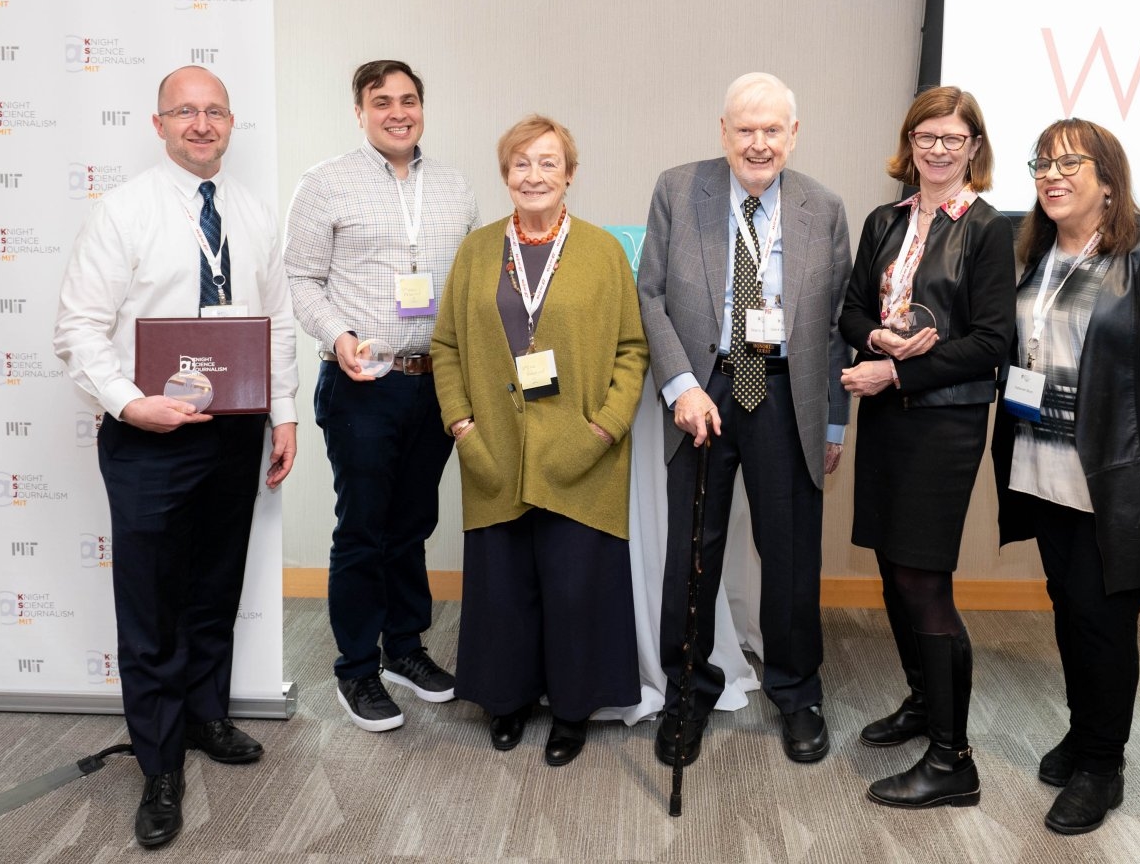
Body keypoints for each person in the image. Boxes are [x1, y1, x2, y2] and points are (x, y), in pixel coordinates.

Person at [53, 65, 299, 849]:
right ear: (158, 124)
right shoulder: (121, 212)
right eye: (185, 112)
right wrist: (132, 403)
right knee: (154, 603)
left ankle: (204, 718)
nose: (201, 124)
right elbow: (78, 329)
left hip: (234, 430)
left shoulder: (256, 214)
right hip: (147, 435)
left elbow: (280, 324)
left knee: (213, 586)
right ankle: (159, 762)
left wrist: (284, 414)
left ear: (232, 124)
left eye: (214, 112)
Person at [992, 117, 1140, 835]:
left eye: (1069, 164)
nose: (1050, 177)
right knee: (1070, 608)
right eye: (1041, 165)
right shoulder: (1032, 251)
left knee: (1106, 623)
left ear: (1109, 181)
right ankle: (1084, 731)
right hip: (1043, 464)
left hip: (1117, 477)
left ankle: (1103, 765)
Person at [638, 72, 851, 765]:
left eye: (772, 130)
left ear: (794, 134)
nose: (758, 144)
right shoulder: (679, 189)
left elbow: (840, 325)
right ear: (723, 132)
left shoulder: (824, 206)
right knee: (692, 552)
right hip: (708, 389)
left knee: (791, 554)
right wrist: (679, 387)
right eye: (745, 129)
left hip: (787, 394)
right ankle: (688, 692)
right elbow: (651, 295)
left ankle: (796, 692)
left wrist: (834, 423)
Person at [431, 114, 648, 766]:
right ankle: (507, 700)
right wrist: (463, 426)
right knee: (503, 587)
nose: (534, 175)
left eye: (547, 163)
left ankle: (573, 709)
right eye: (521, 163)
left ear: (570, 175)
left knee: (576, 586)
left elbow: (633, 352)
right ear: (506, 175)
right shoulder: (475, 252)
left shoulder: (604, 252)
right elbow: (445, 348)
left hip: (582, 455)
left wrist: (604, 429)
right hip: (494, 449)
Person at [284, 60, 479, 734]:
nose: (398, 112)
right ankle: (356, 670)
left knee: (412, 526)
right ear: (360, 111)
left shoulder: (454, 188)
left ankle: (405, 651)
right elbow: (301, 278)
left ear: (423, 107)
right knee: (364, 530)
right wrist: (338, 336)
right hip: (363, 384)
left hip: (432, 383)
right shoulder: (326, 183)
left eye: (409, 100)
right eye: (382, 101)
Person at [839, 86, 1016, 807]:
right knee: (890, 568)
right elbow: (852, 307)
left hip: (944, 423)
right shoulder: (887, 219)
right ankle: (923, 703)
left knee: (924, 582)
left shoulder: (987, 228)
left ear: (974, 146)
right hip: (887, 414)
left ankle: (953, 760)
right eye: (925, 136)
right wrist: (874, 338)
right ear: (908, 142)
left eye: (953, 137)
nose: (938, 148)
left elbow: (991, 345)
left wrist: (898, 369)